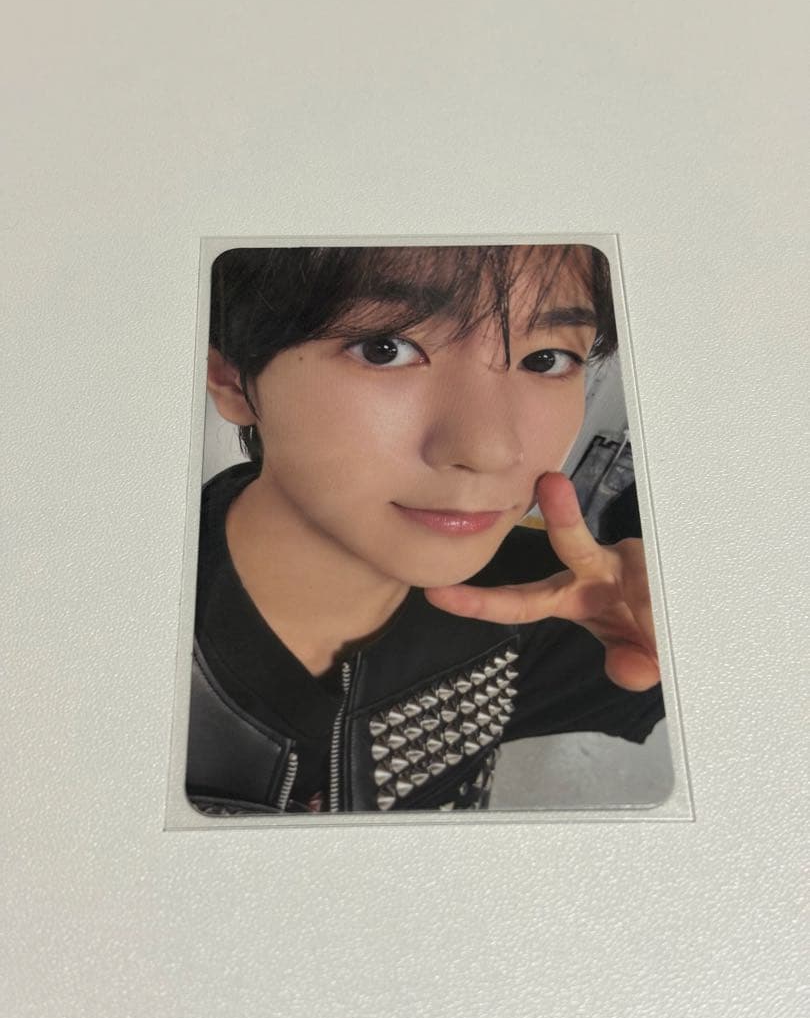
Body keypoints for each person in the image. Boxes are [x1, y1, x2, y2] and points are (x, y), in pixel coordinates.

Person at [186, 244, 664, 815]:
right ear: (233, 380)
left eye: (545, 360)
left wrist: (702, 632)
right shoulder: (110, 636)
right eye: (385, 349)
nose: (488, 450)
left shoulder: (555, 602)